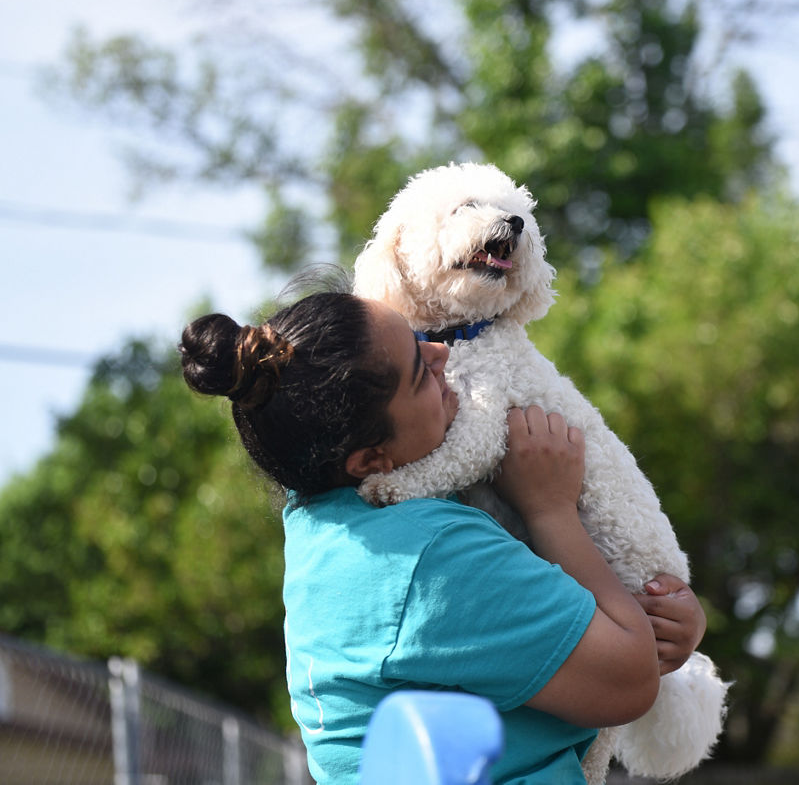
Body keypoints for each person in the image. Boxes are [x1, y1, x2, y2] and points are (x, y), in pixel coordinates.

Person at [180, 279, 708, 784]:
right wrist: (551, 510)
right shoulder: (426, 558)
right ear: (371, 459)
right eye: (418, 373)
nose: (441, 355)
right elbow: (629, 680)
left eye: (419, 338)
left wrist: (654, 624)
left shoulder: (321, 523)